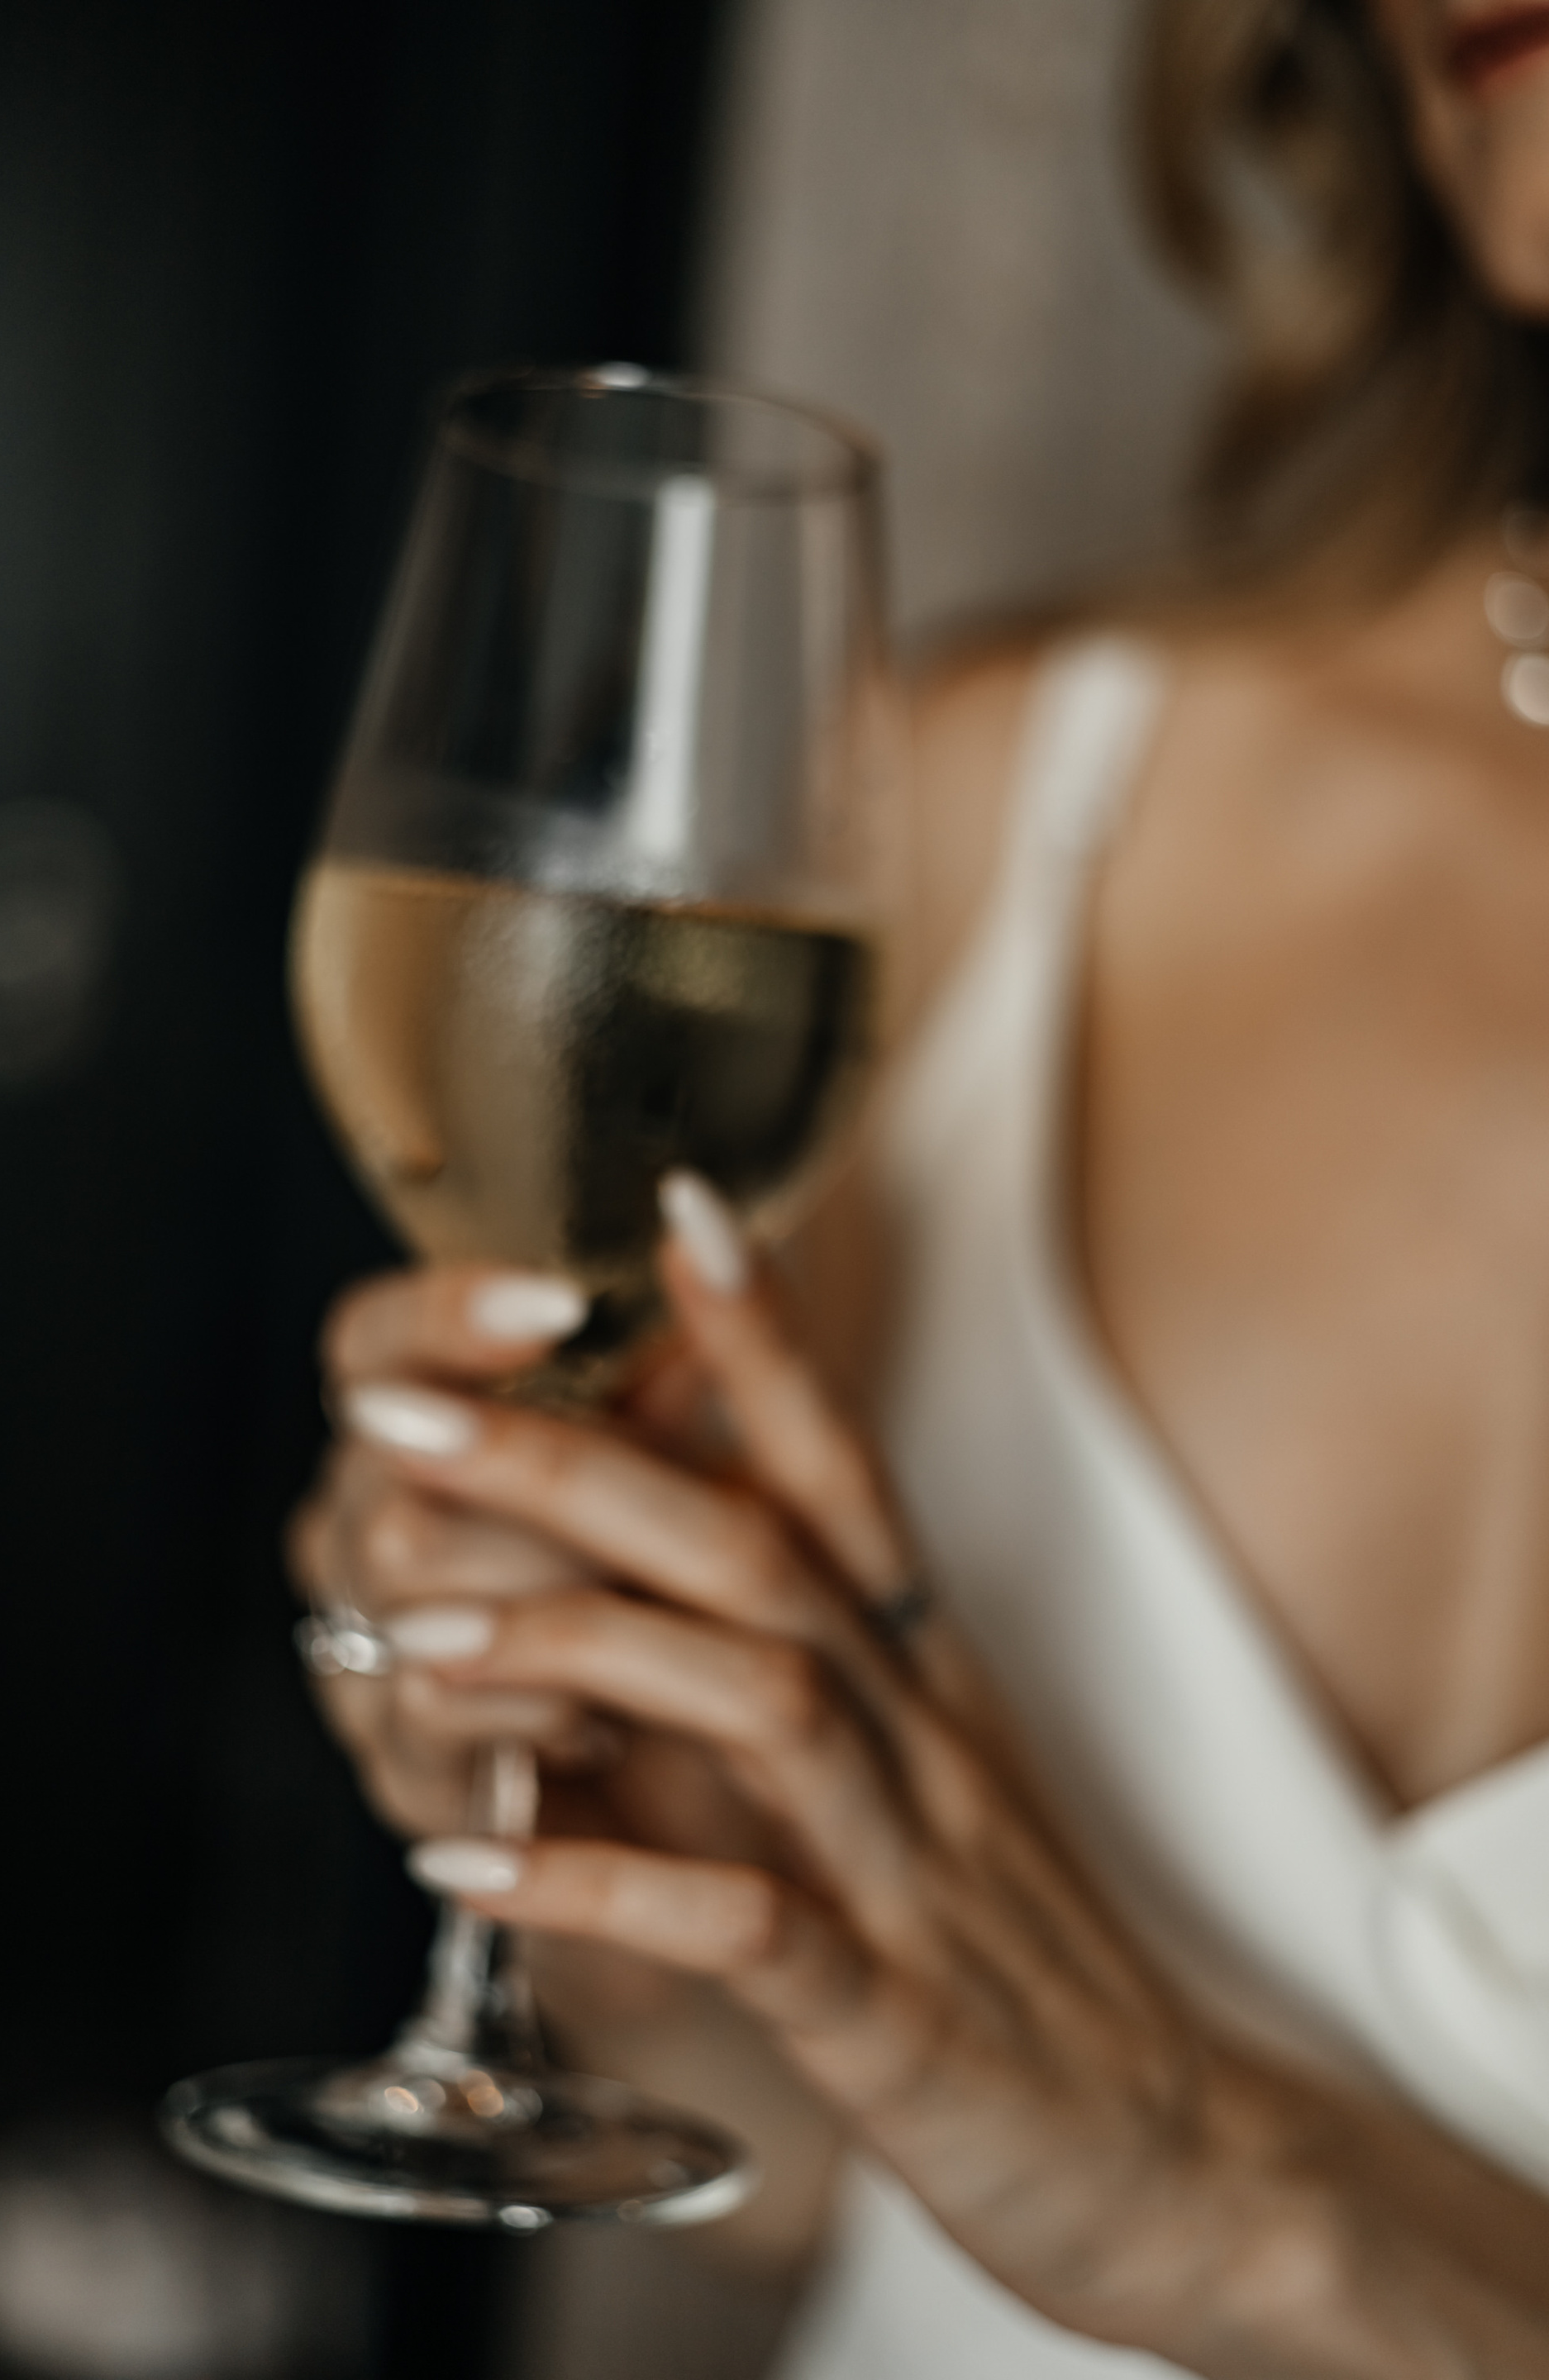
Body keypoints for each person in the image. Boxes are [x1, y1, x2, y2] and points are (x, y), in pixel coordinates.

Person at [288, 1, 1549, 2369]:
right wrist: (659, 1892)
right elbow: (815, 2195)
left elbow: (1157, 2191)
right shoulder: (993, 803)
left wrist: (1260, 2206)